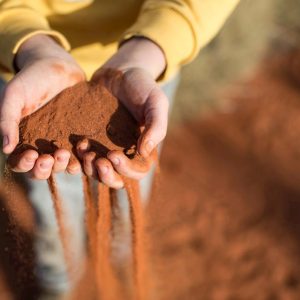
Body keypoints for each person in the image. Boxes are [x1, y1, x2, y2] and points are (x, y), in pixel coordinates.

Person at [0, 0, 239, 298]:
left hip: (141, 70)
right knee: (49, 196)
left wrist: (149, 49)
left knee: (129, 180)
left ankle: (121, 262)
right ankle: (58, 280)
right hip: (30, 70)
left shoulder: (142, 68)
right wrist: (31, 46)